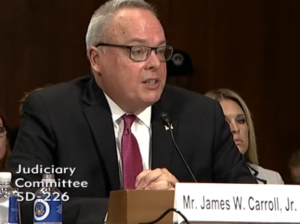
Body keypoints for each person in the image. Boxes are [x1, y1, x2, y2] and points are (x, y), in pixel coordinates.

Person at [8, 1, 256, 223]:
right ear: (96, 59)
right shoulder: (52, 111)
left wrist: (181, 201)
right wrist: (125, 210)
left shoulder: (202, 115)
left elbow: (250, 202)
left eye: (160, 51)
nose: (154, 63)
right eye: (138, 51)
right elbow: (22, 201)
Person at [205, 88, 284, 184]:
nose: (235, 129)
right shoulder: (190, 180)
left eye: (240, 120)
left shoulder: (272, 180)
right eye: (224, 122)